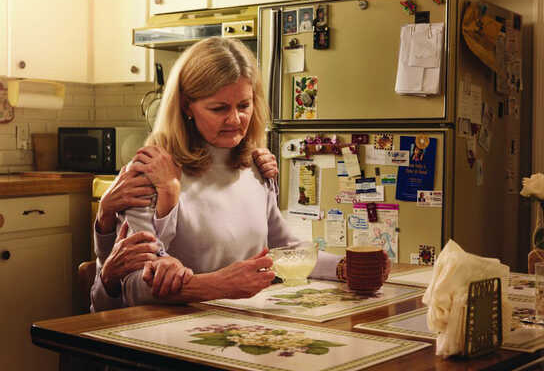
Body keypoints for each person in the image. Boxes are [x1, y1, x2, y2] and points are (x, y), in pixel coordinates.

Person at [91, 37, 390, 312]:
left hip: (245, 323)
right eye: (219, 108)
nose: (235, 119)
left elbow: (282, 249)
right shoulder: (150, 171)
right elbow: (132, 284)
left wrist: (342, 267)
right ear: (186, 106)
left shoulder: (256, 167)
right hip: (171, 334)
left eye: (244, 105)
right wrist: (220, 284)